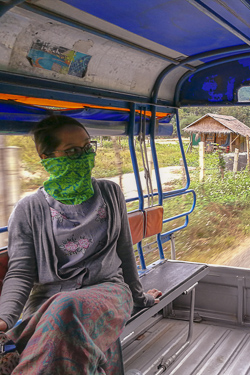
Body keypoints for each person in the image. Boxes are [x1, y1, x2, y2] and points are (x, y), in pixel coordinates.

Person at [0, 115, 162, 374]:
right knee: (65, 317)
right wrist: (4, 319)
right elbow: (20, 271)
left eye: (87, 147)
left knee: (66, 307)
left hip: (108, 292)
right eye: (73, 151)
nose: (85, 156)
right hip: (48, 302)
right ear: (47, 157)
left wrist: (139, 298)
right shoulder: (28, 209)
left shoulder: (110, 193)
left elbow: (124, 251)